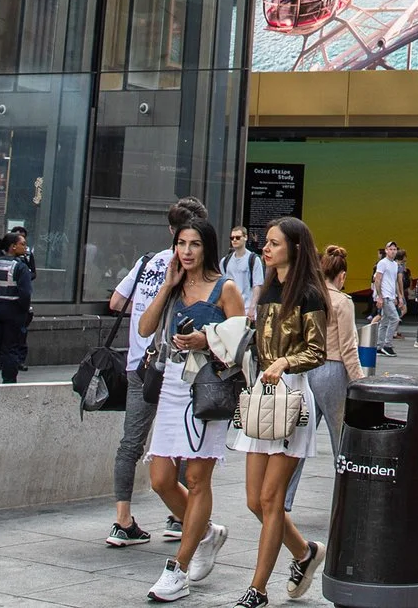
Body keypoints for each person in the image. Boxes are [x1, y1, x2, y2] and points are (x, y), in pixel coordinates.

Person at [138, 211, 245, 603]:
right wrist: (166, 287)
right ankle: (205, 532)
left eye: (194, 244)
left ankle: (178, 569)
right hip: (171, 386)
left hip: (208, 389)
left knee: (199, 479)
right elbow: (145, 329)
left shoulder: (225, 288)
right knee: (161, 479)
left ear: (207, 248)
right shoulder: (174, 284)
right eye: (181, 243)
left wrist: (207, 338)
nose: (186, 251)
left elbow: (242, 341)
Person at [230, 216, 328, 608]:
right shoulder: (269, 289)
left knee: (271, 499)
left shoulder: (310, 294)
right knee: (255, 500)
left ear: (295, 248)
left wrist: (285, 363)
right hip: (262, 395)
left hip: (292, 395)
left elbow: (316, 350)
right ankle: (304, 553)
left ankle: (257, 588)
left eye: (273, 243)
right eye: (264, 243)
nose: (265, 249)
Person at [106, 197, 208, 550]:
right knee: (179, 442)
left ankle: (122, 519)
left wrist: (147, 303)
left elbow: (116, 303)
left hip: (139, 364)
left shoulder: (147, 261)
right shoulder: (190, 270)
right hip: (173, 366)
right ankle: (178, 517)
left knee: (130, 443)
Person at [285, 244, 361, 514]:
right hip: (333, 370)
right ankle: (348, 500)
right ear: (341, 276)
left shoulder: (309, 296)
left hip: (306, 369)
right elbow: (349, 347)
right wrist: (359, 382)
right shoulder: (343, 302)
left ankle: (283, 498)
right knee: (341, 438)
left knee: (298, 438)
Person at [0, 230, 35, 384]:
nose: (25, 247)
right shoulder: (20, 267)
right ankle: (9, 379)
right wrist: (23, 312)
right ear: (13, 247)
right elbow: (25, 294)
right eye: (22, 244)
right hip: (13, 310)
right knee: (10, 348)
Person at [371, 241, 405, 357]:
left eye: (394, 249)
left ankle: (379, 346)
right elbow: (378, 280)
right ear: (386, 250)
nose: (392, 251)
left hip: (390, 295)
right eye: (390, 249)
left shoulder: (395, 265)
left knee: (385, 321)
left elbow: (394, 281)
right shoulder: (382, 263)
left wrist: (399, 296)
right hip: (385, 296)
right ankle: (387, 344)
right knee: (395, 318)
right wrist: (379, 296)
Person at [228, 226, 266, 317]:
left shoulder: (253, 259)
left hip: (247, 310)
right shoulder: (225, 261)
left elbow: (258, 285)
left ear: (245, 237)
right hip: (230, 309)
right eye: (232, 238)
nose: (234, 240)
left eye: (237, 237)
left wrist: (252, 308)